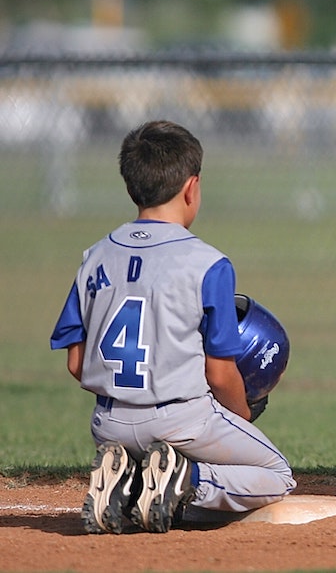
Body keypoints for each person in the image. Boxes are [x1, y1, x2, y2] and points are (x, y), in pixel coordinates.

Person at [50, 120, 296, 534]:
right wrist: (240, 415)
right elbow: (219, 372)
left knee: (159, 447)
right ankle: (184, 479)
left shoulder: (94, 256)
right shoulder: (207, 263)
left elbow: (77, 364)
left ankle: (130, 480)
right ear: (191, 188)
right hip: (180, 419)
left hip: (107, 423)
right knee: (277, 475)